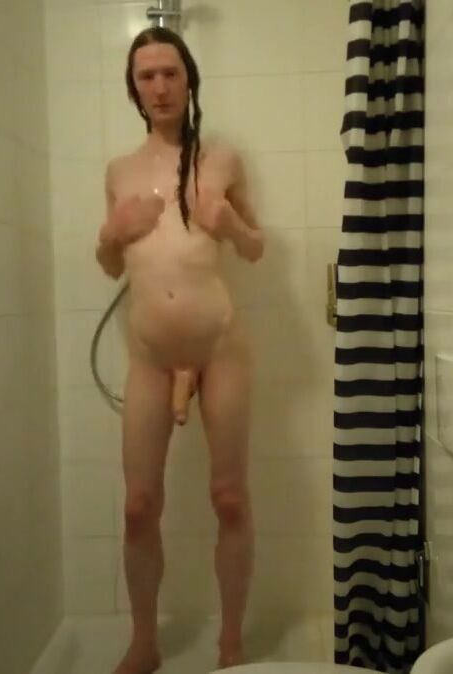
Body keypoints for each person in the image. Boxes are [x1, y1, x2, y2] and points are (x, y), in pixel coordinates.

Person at [95, 26, 264, 674]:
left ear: (189, 78)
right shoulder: (119, 172)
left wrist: (232, 224)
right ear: (133, 88)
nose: (160, 86)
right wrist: (112, 234)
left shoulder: (221, 160)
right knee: (138, 506)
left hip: (219, 348)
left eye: (170, 72)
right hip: (150, 355)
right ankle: (145, 642)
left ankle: (231, 644)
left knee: (230, 498)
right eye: (147, 76)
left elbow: (255, 249)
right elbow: (111, 266)